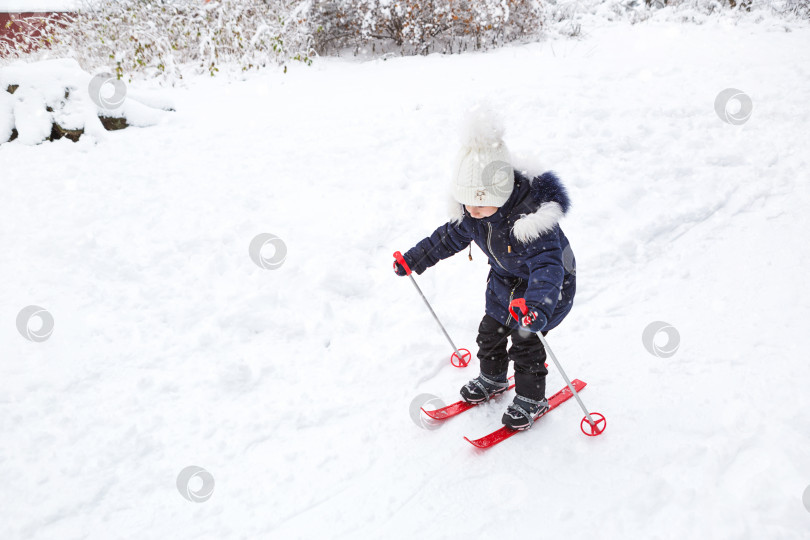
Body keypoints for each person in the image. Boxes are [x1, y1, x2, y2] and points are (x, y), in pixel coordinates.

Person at [393, 107, 576, 431]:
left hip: (547, 289)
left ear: (503, 193)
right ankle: (492, 379)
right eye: (467, 202)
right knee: (489, 334)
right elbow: (446, 238)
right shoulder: (472, 216)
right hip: (505, 283)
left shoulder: (531, 222)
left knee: (525, 341)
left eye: (481, 202)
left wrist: (536, 307)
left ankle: (532, 397)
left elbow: (549, 267)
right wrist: (415, 259)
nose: (473, 211)